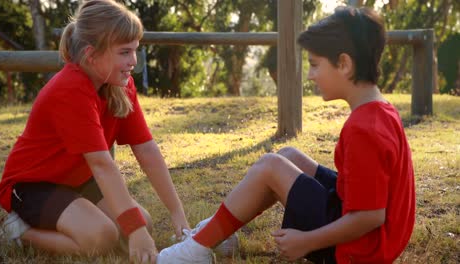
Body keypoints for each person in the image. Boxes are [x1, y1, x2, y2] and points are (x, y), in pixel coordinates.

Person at [156, 6, 415, 264]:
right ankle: (217, 234)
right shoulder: (380, 110)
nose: (311, 75)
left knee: (270, 166)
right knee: (288, 156)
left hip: (360, 251)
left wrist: (307, 241)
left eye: (315, 65)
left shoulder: (364, 129)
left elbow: (370, 216)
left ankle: (196, 250)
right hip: (370, 235)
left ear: (344, 64)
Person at [0, 0, 190, 263]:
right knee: (101, 239)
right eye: (124, 52)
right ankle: (20, 231)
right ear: (91, 55)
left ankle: (79, 217)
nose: (133, 61)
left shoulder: (121, 84)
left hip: (78, 181)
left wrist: (177, 213)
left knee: (144, 222)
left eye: (135, 50)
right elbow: (101, 164)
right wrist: (135, 231)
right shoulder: (70, 88)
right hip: (33, 185)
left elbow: (146, 149)